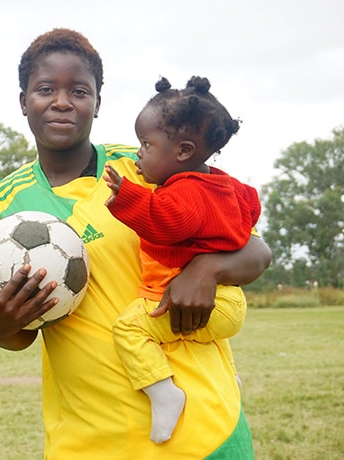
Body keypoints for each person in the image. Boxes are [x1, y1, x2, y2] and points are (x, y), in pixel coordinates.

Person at [0, 28, 271, 459]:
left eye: (79, 90)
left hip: (203, 428)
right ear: (23, 100)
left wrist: (209, 269)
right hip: (91, 439)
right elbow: (23, 332)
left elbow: (256, 252)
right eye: (44, 89)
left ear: (98, 102)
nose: (61, 101)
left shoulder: (150, 165)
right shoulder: (7, 199)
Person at [103, 75, 262, 444]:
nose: (138, 152)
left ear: (184, 152)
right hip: (229, 299)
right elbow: (251, 206)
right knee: (201, 338)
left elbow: (167, 221)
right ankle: (230, 381)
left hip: (211, 298)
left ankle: (163, 393)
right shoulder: (223, 184)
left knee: (130, 328)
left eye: (146, 144)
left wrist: (126, 196)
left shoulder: (186, 192)